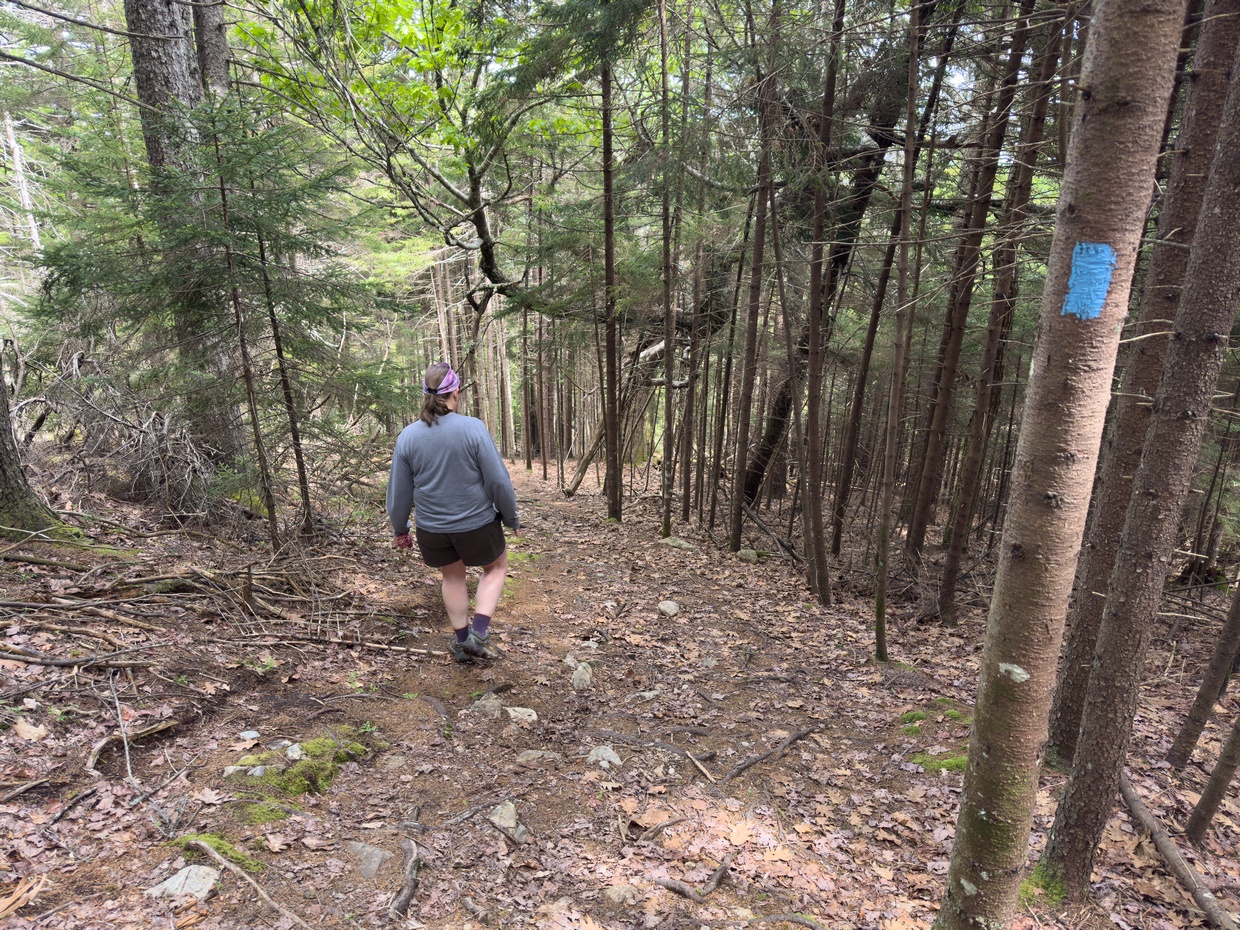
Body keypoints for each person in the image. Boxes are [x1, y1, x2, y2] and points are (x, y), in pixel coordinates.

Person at [387, 361, 520, 662]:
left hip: (432, 530)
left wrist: (400, 529)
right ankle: (479, 635)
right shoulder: (472, 428)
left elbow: (399, 493)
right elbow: (498, 481)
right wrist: (510, 517)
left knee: (452, 576)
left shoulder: (408, 436)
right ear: (456, 392)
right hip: (477, 524)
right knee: (495, 567)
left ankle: (461, 643)